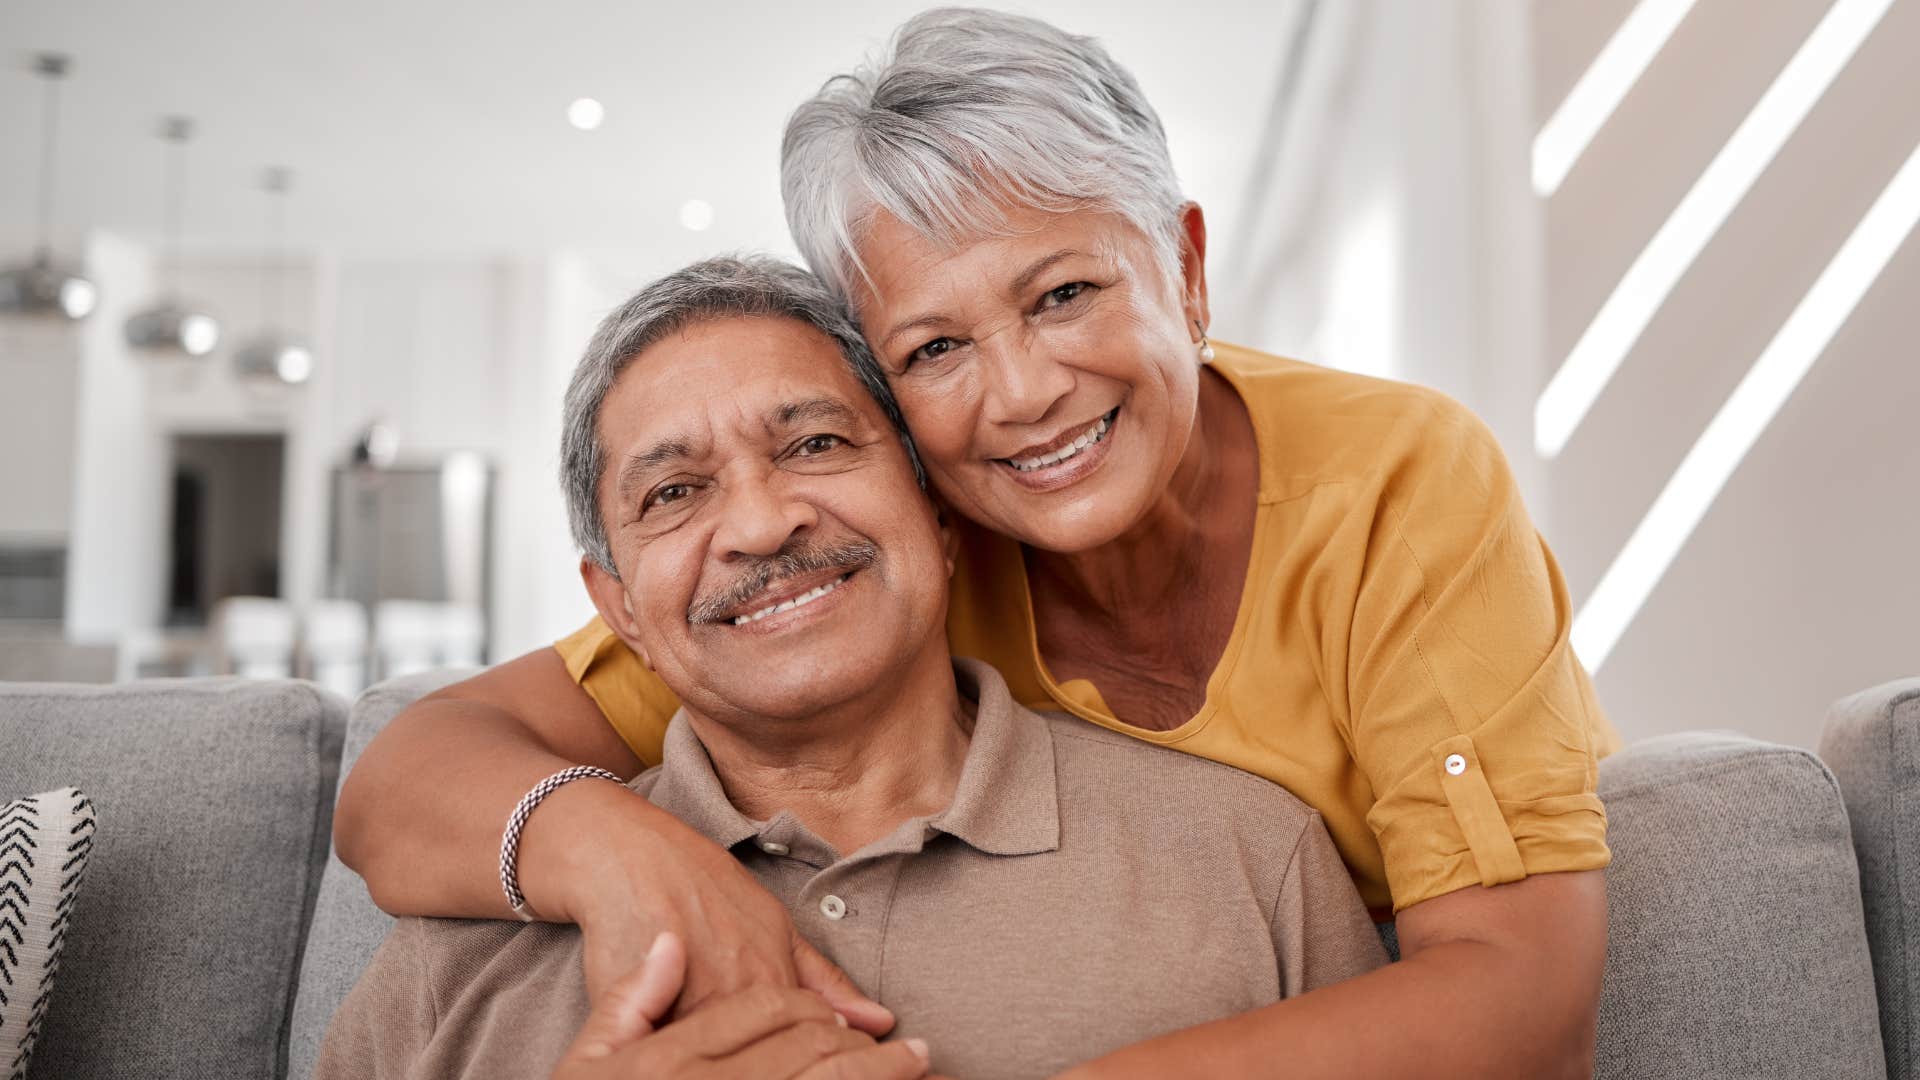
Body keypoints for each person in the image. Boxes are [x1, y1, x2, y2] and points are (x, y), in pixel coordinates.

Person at [336, 8, 1619, 1076]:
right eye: (935, 350)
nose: (1019, 395)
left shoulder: (1393, 485)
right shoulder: (856, 569)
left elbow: (1523, 991)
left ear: (1184, 266)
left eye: (1065, 294)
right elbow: (408, 778)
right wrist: (629, 856)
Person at [317, 257, 1386, 1080]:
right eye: (675, 493)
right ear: (619, 612)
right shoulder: (458, 956)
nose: (761, 522)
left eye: (816, 445)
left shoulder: (1254, 864)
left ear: (940, 508)